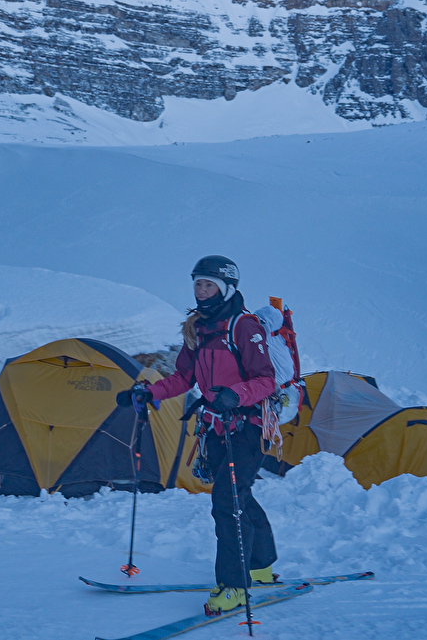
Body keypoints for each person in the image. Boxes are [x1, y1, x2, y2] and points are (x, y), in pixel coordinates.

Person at [116, 255, 278, 615]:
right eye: (198, 283)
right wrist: (149, 393)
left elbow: (266, 379)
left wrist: (235, 395)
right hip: (215, 429)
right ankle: (262, 564)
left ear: (226, 287)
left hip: (246, 427)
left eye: (208, 284)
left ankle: (234, 586)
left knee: (227, 503)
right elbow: (182, 379)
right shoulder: (198, 329)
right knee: (238, 498)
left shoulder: (244, 327)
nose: (201, 290)